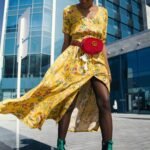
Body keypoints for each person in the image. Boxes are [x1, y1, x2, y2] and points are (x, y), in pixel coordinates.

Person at [0, 0, 113, 150]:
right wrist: (60, 66)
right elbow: (66, 41)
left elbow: (103, 42)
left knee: (104, 101)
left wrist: (108, 68)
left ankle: (108, 145)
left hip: (97, 58)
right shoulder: (69, 11)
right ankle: (61, 143)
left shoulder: (103, 12)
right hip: (74, 58)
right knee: (68, 102)